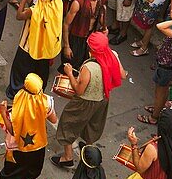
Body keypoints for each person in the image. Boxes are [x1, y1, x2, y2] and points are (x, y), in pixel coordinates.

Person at [53, 32, 124, 169]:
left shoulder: (89, 68)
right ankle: (87, 152)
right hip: (102, 100)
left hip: (84, 102)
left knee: (68, 124)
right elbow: (122, 75)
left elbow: (79, 90)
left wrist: (69, 73)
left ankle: (67, 158)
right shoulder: (112, 56)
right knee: (92, 126)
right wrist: (116, 58)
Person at [0, 73, 57, 179]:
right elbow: (54, 120)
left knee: (11, 173)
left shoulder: (17, 109)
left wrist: (3, 112)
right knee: (30, 167)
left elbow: (12, 130)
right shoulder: (47, 101)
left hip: (17, 147)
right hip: (38, 144)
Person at [6, 0, 63, 101]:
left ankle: (16, 97)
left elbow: (19, 15)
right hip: (45, 49)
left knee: (19, 75)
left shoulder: (35, 11)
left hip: (28, 47)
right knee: (40, 75)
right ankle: (36, 96)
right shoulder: (58, 3)